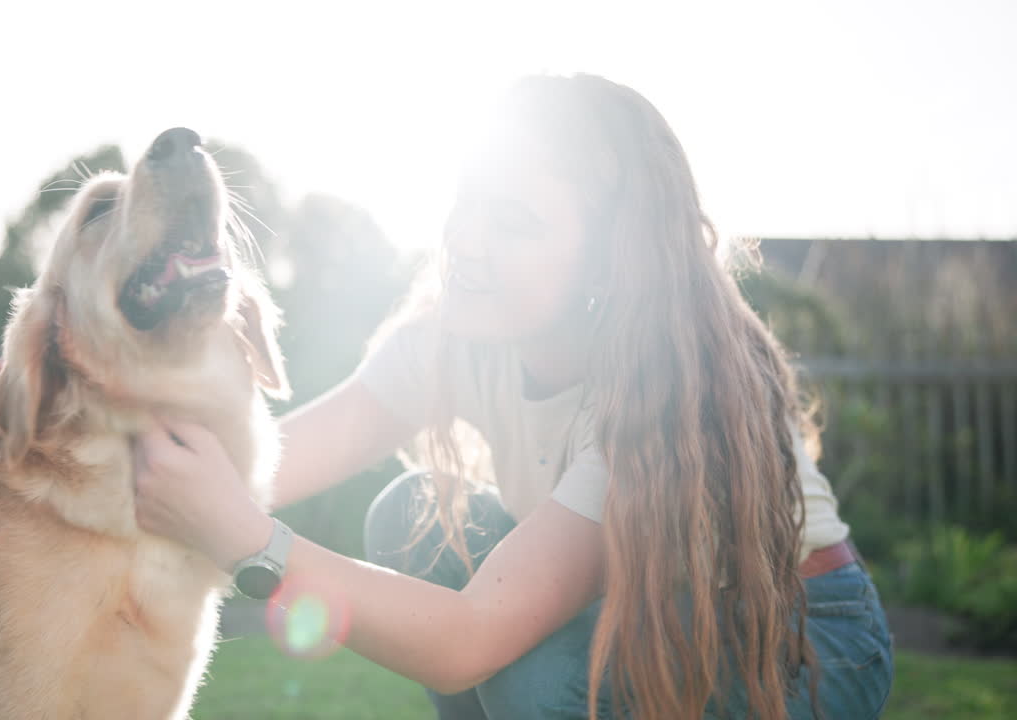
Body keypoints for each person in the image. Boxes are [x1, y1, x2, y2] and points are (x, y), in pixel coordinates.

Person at [131, 74, 894, 719]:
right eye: (470, 202)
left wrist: (247, 537)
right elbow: (268, 463)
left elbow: (468, 640)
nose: (465, 242)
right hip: (646, 610)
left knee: (532, 674)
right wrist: (95, 439)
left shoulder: (662, 388)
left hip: (797, 633)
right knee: (412, 513)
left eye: (515, 223)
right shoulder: (451, 339)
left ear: (607, 262)